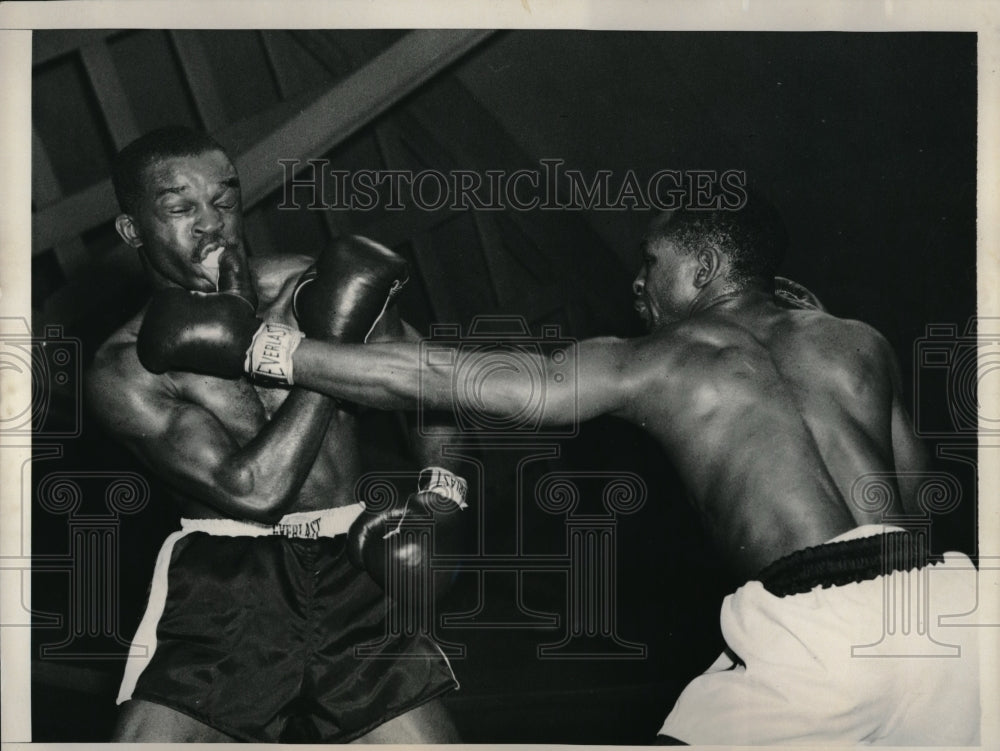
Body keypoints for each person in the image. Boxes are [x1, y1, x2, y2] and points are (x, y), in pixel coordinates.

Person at [134, 192, 981, 743]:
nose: (637, 284)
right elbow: (911, 501)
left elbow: (447, 378)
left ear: (708, 269)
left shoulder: (659, 357)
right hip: (948, 606)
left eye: (652, 262)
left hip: (815, 627)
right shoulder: (857, 340)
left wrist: (272, 349)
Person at [86, 126, 469, 744]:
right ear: (133, 230)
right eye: (181, 208)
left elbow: (432, 391)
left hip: (356, 563)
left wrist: (444, 497)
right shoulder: (125, 367)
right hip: (226, 583)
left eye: (225, 201)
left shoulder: (305, 286)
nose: (211, 223)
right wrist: (326, 351)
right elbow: (255, 491)